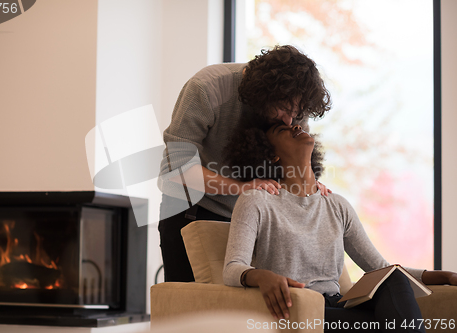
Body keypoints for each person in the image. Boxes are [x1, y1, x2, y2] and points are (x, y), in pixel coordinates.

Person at [223, 120, 457, 332]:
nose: (296, 127)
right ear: (271, 155)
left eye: (296, 125)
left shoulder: (336, 205)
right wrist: (262, 276)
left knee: (392, 278)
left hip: (338, 306)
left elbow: (381, 269)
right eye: (282, 130)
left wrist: (446, 275)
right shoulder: (256, 200)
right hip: (300, 310)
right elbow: (232, 268)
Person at [158, 45, 332, 282]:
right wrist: (242, 188)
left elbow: (294, 164)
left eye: (297, 113)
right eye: (284, 110)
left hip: (247, 217)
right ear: (265, 93)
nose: (290, 120)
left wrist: (311, 188)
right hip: (190, 210)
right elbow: (176, 170)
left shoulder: (293, 104)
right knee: (188, 310)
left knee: (238, 312)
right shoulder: (206, 89)